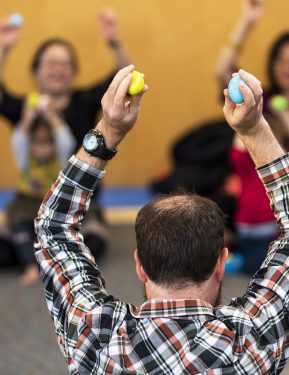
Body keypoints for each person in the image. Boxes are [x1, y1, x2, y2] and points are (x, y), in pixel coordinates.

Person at [34, 66, 289, 373]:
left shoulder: (97, 335)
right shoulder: (250, 339)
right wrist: (255, 129)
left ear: (139, 265)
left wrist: (109, 130)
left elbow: (53, 227)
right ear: (222, 263)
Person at [0, 9, 131, 259]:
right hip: (32, 198)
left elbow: (124, 78)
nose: (58, 70)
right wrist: (3, 48)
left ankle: (44, 246)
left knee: (93, 245)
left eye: (65, 64)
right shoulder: (26, 107)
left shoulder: (84, 101)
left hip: (77, 199)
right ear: (36, 71)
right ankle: (38, 244)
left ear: (73, 72)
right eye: (50, 64)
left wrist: (114, 40)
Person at [214, 0, 286, 274]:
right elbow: (222, 72)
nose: (286, 67)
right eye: (281, 59)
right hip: (258, 213)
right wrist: (247, 22)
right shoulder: (260, 100)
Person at [7, 100, 75, 285]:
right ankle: (30, 266)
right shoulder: (25, 157)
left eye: (48, 143)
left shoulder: (60, 159)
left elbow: (65, 139)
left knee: (58, 234)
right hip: (25, 203)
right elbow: (19, 139)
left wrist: (51, 115)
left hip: (51, 204)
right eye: (38, 143)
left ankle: (56, 266)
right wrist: (28, 119)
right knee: (20, 227)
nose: (43, 149)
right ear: (30, 144)